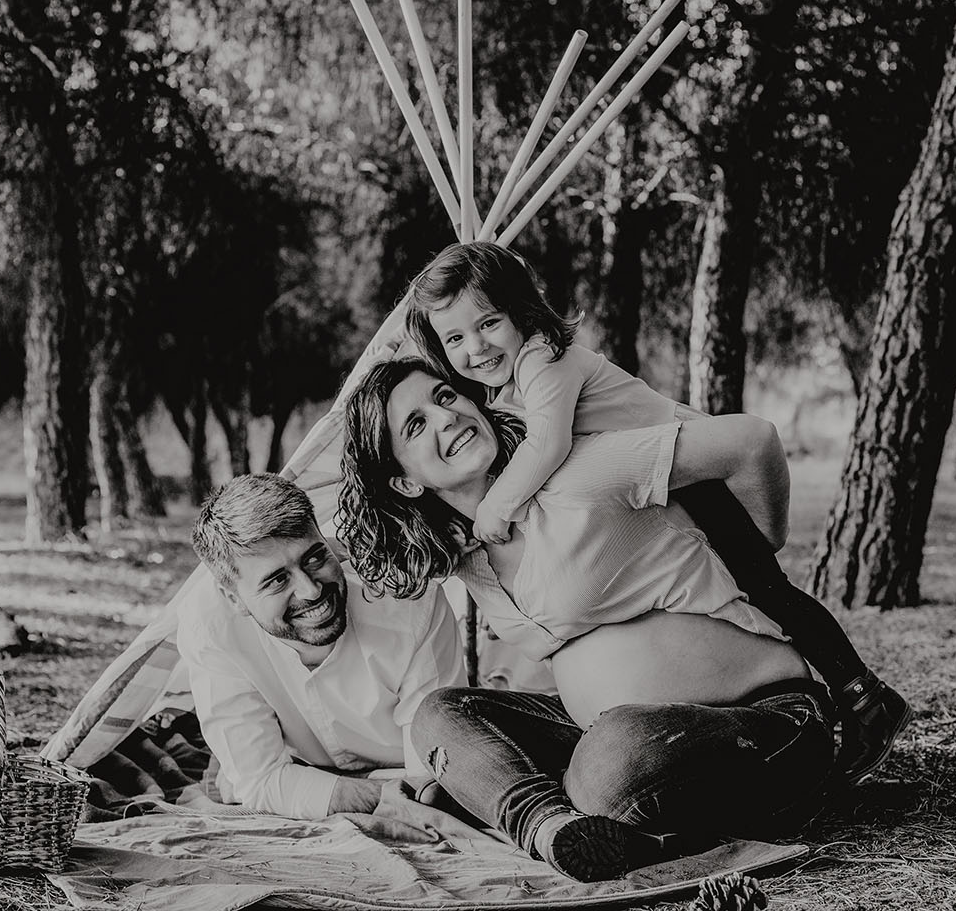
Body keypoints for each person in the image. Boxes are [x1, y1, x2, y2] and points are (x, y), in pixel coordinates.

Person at [403, 241, 908, 780]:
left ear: (520, 312)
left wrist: (496, 508)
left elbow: (547, 445)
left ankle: (863, 696)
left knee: (770, 591)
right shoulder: (507, 386)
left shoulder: (543, 361)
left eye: (489, 323)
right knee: (767, 589)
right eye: (455, 338)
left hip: (693, 479)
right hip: (664, 487)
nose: (476, 347)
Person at [338, 358, 835, 881]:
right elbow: (348, 549)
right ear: (405, 483)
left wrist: (758, 558)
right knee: (440, 714)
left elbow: (752, 443)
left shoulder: (577, 471)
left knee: (611, 755)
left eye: (444, 396)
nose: (447, 416)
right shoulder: (466, 555)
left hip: (764, 722)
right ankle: (552, 827)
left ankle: (537, 804)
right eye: (415, 425)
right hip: (610, 744)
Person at [181, 472, 472, 828]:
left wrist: (303, 789)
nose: (311, 590)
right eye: (277, 580)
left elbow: (430, 784)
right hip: (317, 768)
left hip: (397, 765)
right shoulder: (210, 626)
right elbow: (260, 781)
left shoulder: (410, 600)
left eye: (315, 558)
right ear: (233, 598)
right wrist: (381, 795)